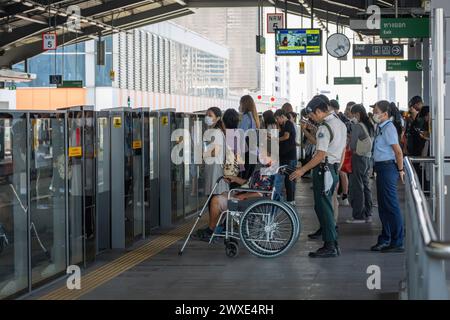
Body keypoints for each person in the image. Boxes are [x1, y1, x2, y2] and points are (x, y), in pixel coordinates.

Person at [289, 96, 347, 258]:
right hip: (332, 168)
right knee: (324, 206)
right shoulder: (340, 123)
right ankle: (332, 242)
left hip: (324, 170)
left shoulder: (324, 128)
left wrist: (302, 170)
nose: (311, 118)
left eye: (312, 115)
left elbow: (320, 154)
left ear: (319, 111)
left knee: (324, 208)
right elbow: (341, 149)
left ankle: (330, 245)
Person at [192, 167, 275, 242]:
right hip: (251, 200)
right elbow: (249, 183)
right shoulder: (266, 170)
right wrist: (234, 178)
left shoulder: (267, 172)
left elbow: (262, 192)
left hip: (249, 202)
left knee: (216, 200)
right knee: (224, 194)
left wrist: (243, 196)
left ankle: (211, 230)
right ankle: (218, 228)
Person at [370, 100, 405, 253]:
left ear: (385, 114)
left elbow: (398, 151)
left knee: (391, 205)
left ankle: (397, 241)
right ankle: (386, 238)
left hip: (387, 167)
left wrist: (401, 170)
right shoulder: (380, 127)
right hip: (381, 167)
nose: (374, 114)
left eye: (376, 111)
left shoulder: (389, 128)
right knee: (384, 206)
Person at [346, 104, 374, 223]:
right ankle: (368, 212)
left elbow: (352, 145)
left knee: (357, 186)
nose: (351, 116)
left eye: (352, 113)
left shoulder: (358, 126)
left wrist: (350, 139)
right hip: (368, 158)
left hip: (358, 158)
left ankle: (358, 215)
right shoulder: (370, 125)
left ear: (357, 114)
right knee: (366, 185)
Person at [203, 107, 228, 198]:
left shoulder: (217, 132)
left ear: (217, 118)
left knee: (216, 194)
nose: (207, 117)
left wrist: (203, 154)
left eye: (210, 115)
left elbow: (215, 152)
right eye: (206, 115)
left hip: (216, 167)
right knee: (212, 194)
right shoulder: (209, 132)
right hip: (210, 166)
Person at [274, 109, 297, 204]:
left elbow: (286, 136)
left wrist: (276, 139)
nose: (277, 121)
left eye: (277, 118)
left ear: (282, 116)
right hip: (286, 155)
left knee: (289, 178)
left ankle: (291, 200)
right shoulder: (284, 125)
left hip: (289, 156)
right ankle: (289, 199)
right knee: (287, 178)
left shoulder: (288, 124)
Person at [239, 95, 260, 179]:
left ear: (244, 104)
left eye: (240, 104)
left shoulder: (246, 117)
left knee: (243, 178)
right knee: (249, 178)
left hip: (247, 151)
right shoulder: (254, 117)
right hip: (253, 150)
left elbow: (241, 134)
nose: (239, 106)